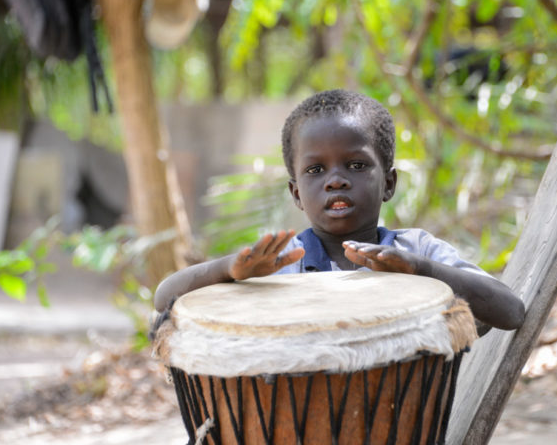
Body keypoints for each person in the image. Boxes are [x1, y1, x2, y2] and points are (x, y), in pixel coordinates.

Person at [154, 89, 525, 331]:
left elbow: (510, 311)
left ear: (389, 184)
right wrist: (228, 269)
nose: (336, 181)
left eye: (356, 165)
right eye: (316, 171)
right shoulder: (281, 263)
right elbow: (164, 297)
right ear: (296, 193)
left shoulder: (418, 251)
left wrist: (421, 271)